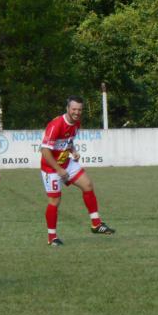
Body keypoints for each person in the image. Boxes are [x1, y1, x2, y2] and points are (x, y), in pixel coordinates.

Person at [40, 96, 114, 245]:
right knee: (55, 201)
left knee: (87, 185)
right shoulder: (56, 125)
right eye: (74, 109)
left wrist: (73, 150)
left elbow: (68, 140)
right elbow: (44, 151)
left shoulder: (76, 123)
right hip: (51, 168)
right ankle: (52, 238)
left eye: (79, 110)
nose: (76, 112)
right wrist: (58, 169)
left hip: (66, 163)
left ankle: (96, 224)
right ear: (67, 108)